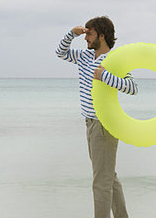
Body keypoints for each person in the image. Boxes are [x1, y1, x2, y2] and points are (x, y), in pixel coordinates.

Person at [55, 16, 138, 218]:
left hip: (104, 124)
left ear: (102, 35)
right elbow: (60, 53)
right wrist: (72, 34)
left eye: (89, 34)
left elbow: (132, 88)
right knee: (109, 176)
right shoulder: (84, 57)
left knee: (101, 182)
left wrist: (105, 76)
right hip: (90, 123)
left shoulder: (114, 60)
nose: (86, 39)